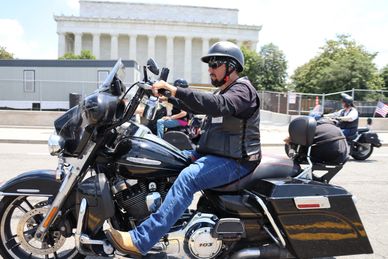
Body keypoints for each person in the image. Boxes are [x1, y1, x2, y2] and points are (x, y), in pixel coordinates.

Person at [104, 41, 262, 256]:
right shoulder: (223, 92)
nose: (210, 69)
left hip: (237, 161)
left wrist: (176, 90)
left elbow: (219, 106)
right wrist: (170, 97)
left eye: (214, 64)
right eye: (210, 64)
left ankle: (141, 240)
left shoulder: (243, 90)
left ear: (231, 66)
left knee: (188, 178)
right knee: (162, 160)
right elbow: (199, 104)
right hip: (213, 154)